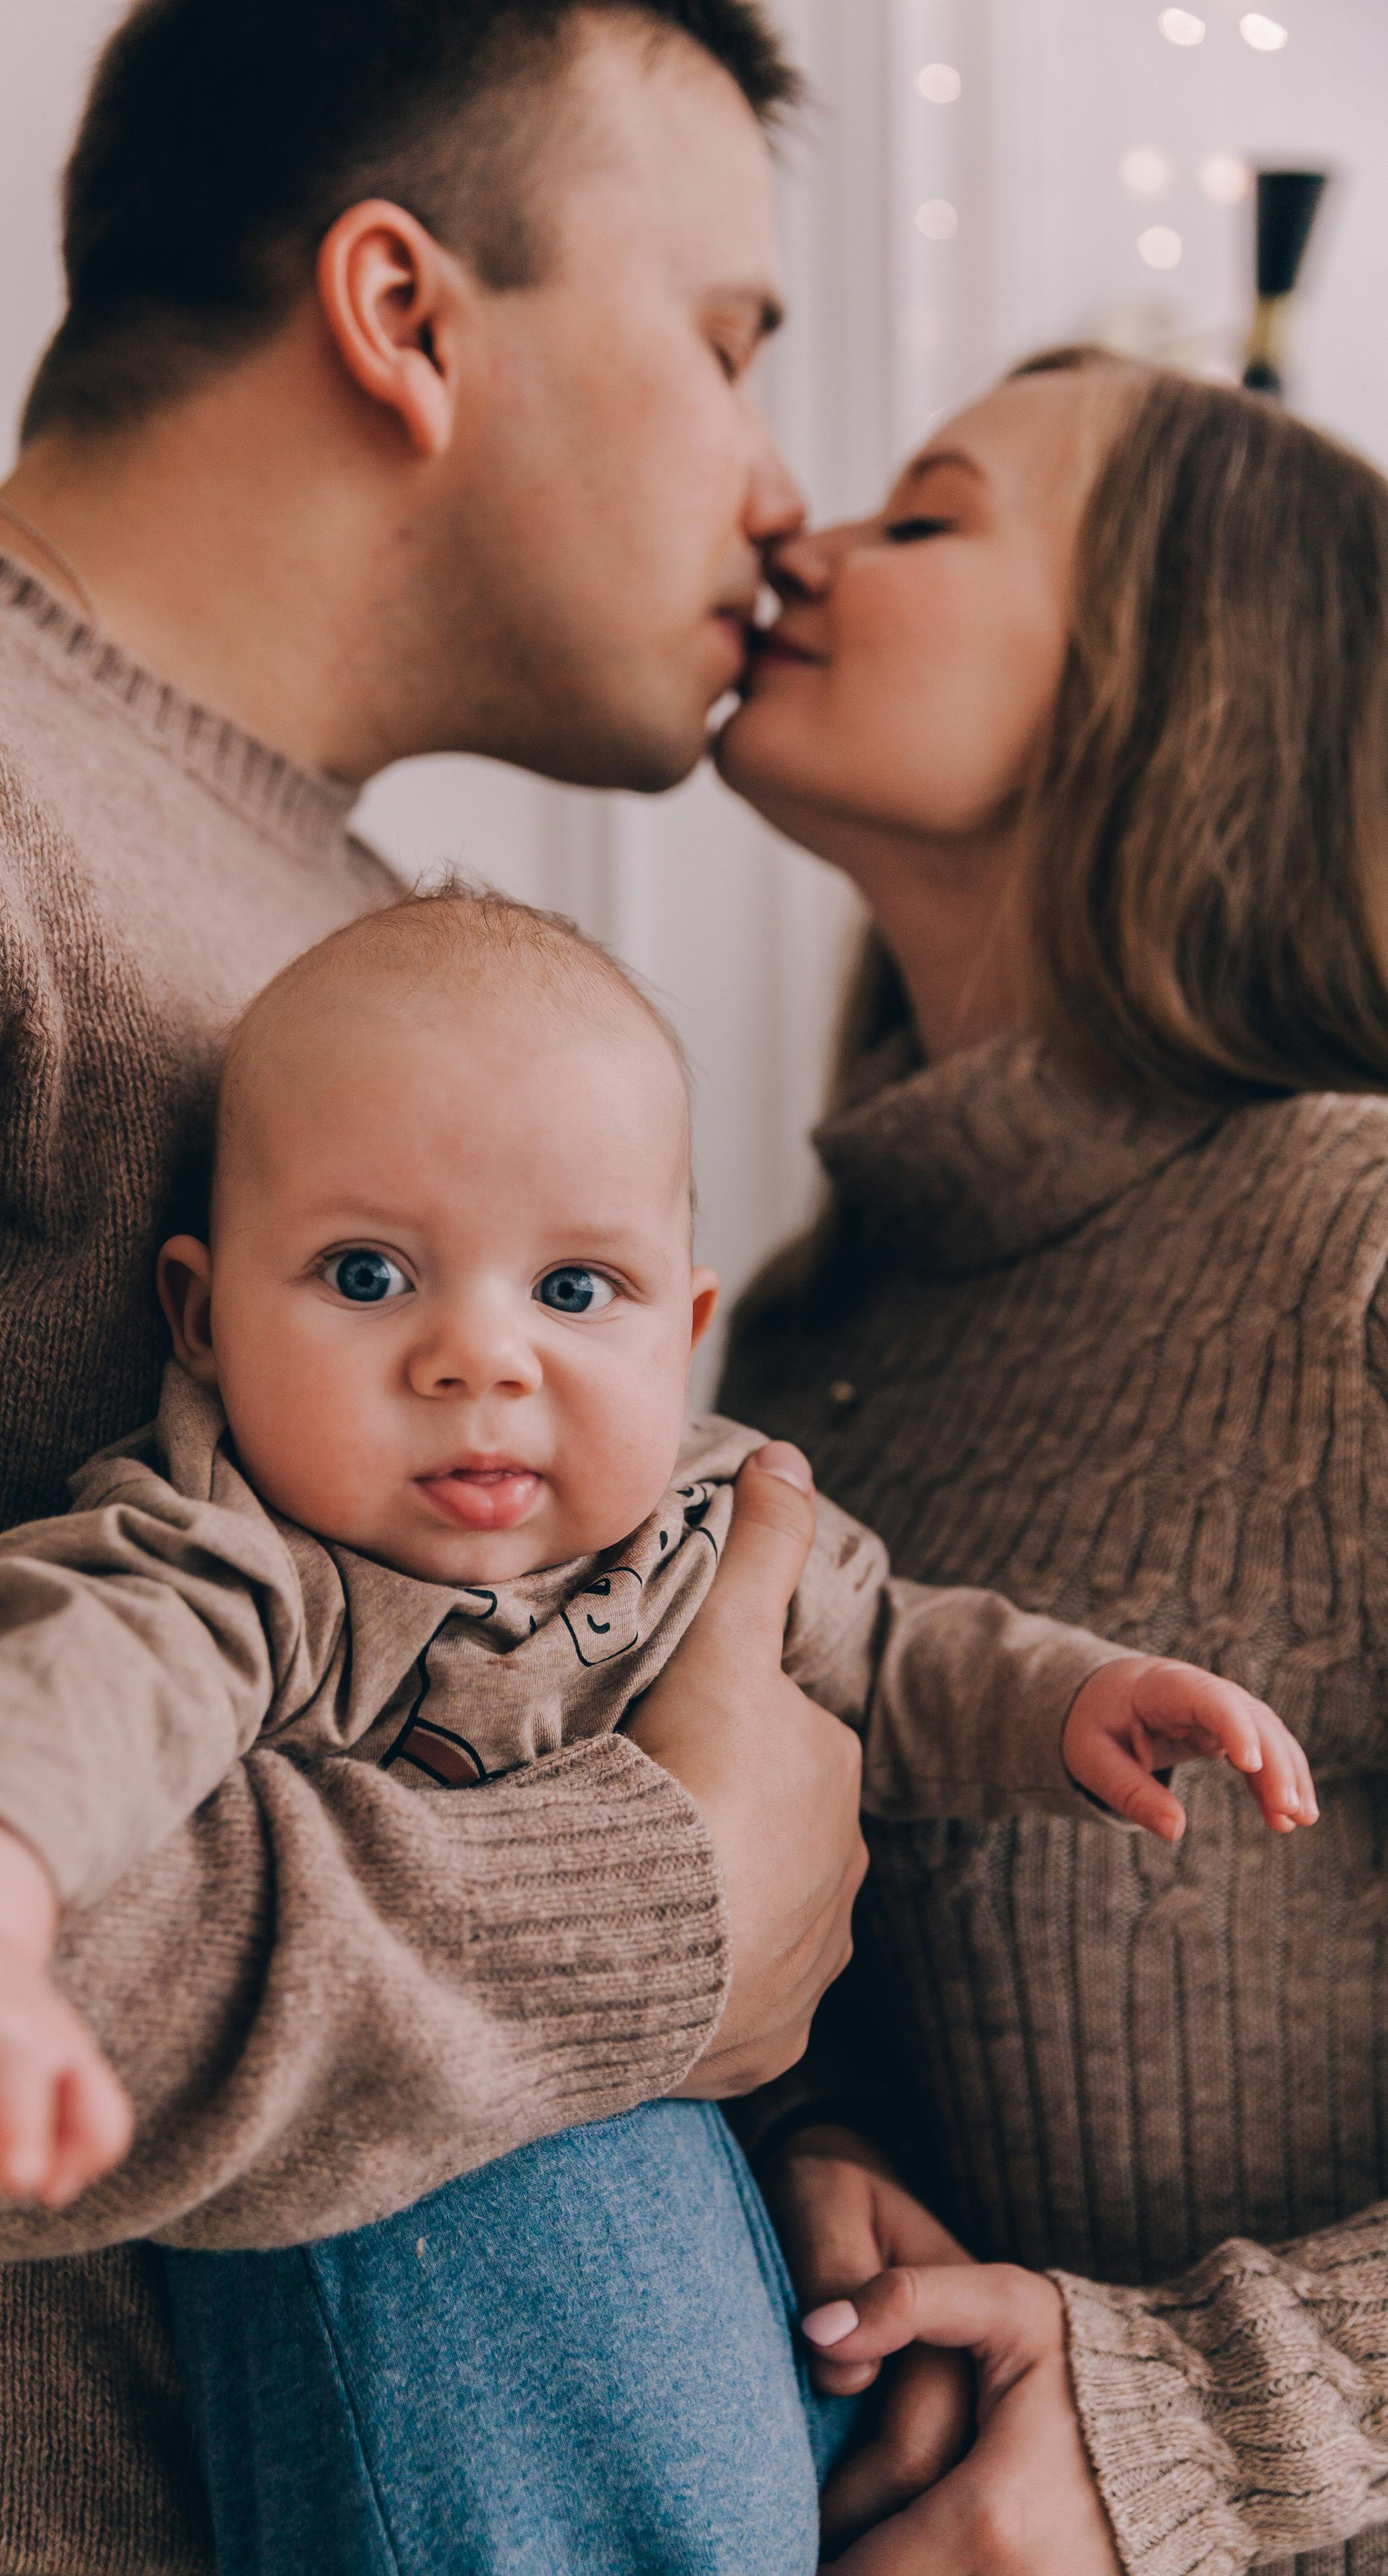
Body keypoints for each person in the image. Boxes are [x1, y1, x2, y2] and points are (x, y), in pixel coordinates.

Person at [0, 7, 863, 2572]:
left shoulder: (391, 967)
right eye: (727, 345)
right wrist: (635, 1925)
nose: (787, 497)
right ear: (407, 314)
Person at [0, 888, 1314, 2575]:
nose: (478, 1357)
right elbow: (64, 1696)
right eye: (366, 1275)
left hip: (701, 2218)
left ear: (684, 1332)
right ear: (204, 1317)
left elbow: (896, 1653)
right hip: (384, 2244)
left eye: (575, 1287)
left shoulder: (706, 1526)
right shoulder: (235, 1559)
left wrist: (1070, 1705)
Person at [716, 347, 1388, 2575]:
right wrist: (821, 2139)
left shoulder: (1359, 1251)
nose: (797, 541)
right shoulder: (797, 1337)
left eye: (924, 517)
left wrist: (1172, 2423)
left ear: (1181, 683)